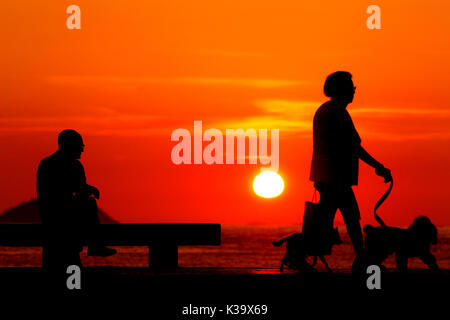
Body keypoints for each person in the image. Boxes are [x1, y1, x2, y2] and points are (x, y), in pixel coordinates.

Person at [309, 71, 392, 272]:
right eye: (351, 88)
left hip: (327, 175)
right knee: (350, 219)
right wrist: (378, 167)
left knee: (329, 221)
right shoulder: (337, 113)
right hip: (335, 176)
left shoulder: (326, 110)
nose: (354, 92)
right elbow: (353, 146)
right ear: (342, 90)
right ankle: (363, 261)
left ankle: (359, 259)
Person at [37, 129, 116, 271]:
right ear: (68, 145)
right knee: (90, 204)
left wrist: (85, 190)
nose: (82, 150)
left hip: (52, 219)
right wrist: (88, 190)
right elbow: (68, 189)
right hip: (59, 219)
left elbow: (76, 189)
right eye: (80, 146)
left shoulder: (46, 163)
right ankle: (95, 245)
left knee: (60, 266)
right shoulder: (69, 166)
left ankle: (95, 245)